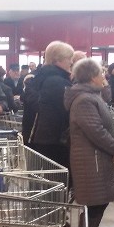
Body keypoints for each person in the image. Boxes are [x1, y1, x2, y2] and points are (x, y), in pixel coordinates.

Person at [64, 58, 114, 227]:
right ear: (91, 76)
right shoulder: (84, 100)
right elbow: (95, 131)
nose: (104, 77)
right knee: (95, 203)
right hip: (91, 160)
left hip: (96, 158)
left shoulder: (91, 96)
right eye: (101, 74)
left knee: (97, 203)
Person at [27, 41, 75, 180]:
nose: (71, 62)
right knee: (59, 181)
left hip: (44, 137)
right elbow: (66, 109)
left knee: (49, 180)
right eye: (68, 58)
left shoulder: (43, 77)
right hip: (55, 139)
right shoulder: (57, 82)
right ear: (57, 60)